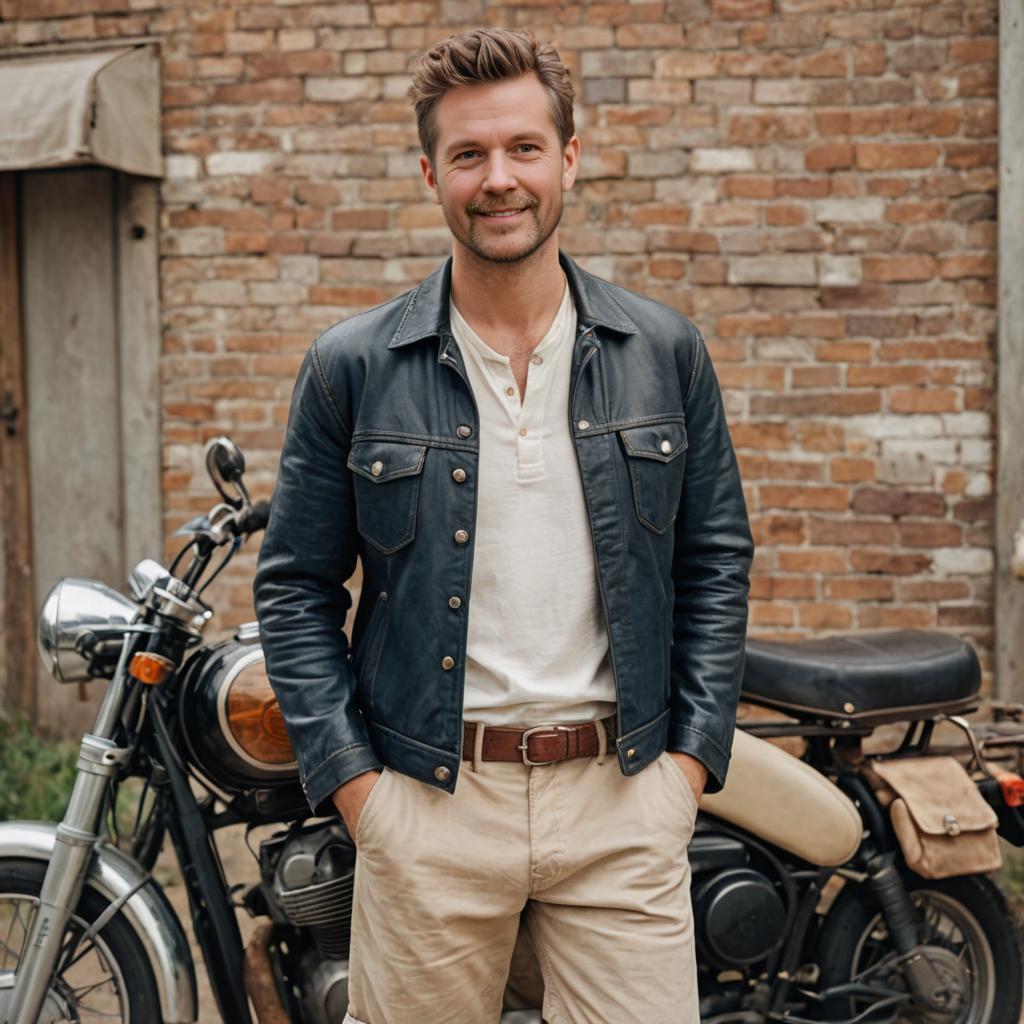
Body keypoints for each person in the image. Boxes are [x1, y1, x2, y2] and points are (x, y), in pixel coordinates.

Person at [254, 26, 753, 1024]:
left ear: (568, 157)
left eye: (524, 148)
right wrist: (363, 796)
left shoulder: (662, 350)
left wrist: (682, 776)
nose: (499, 180)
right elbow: (295, 588)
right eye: (470, 154)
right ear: (429, 169)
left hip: (621, 797)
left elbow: (714, 561)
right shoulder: (352, 365)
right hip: (430, 804)